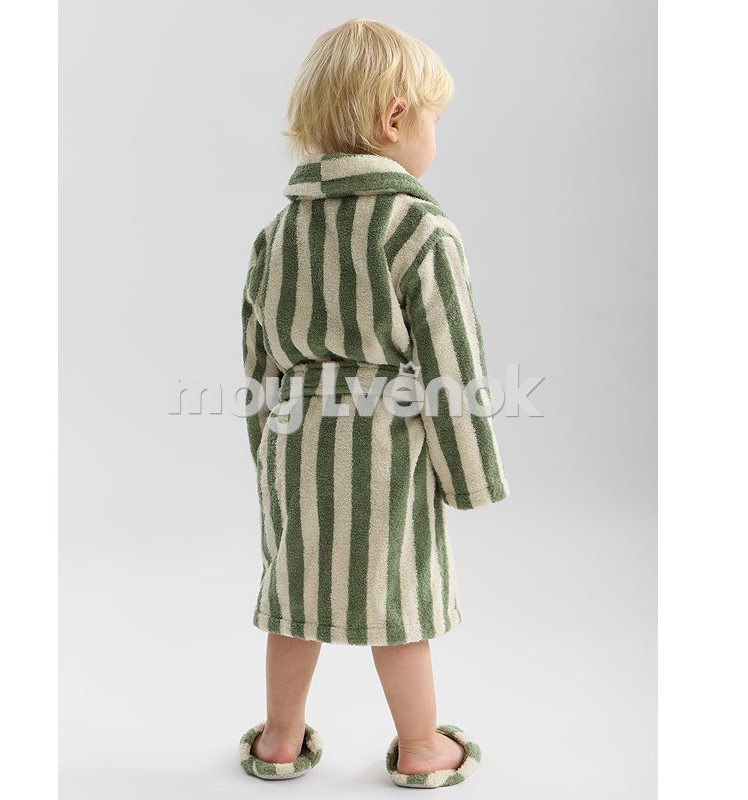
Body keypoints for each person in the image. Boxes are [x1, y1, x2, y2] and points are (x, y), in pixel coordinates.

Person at [238, 17, 509, 788]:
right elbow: (452, 363)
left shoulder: (276, 236)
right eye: (433, 121)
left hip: (296, 445)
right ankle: (420, 747)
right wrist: (469, 477)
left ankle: (279, 740)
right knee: (401, 600)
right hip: (386, 448)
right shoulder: (418, 228)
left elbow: (257, 363)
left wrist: (267, 454)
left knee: (295, 596)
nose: (435, 138)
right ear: (395, 119)